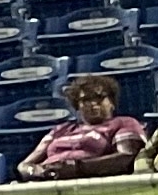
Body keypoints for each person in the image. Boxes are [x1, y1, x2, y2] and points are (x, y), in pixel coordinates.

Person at [16, 72, 148, 180]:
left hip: (91, 185)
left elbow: (128, 157)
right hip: (48, 183)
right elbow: (24, 165)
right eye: (86, 100)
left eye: (99, 97)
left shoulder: (124, 123)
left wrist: (76, 168)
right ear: (77, 106)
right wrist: (37, 172)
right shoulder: (61, 129)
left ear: (112, 103)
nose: (92, 103)